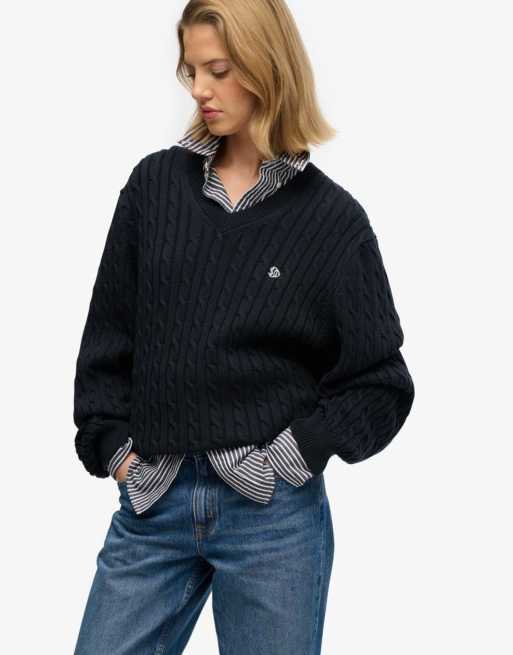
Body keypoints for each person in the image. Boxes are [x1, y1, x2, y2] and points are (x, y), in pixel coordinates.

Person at [73, 1, 415, 653]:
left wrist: (292, 457)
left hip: (271, 519)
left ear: (267, 68)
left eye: (219, 70)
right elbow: (108, 341)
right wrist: (114, 449)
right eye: (191, 70)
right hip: (153, 501)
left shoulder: (332, 222)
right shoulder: (153, 188)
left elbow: (381, 383)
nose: (199, 89)